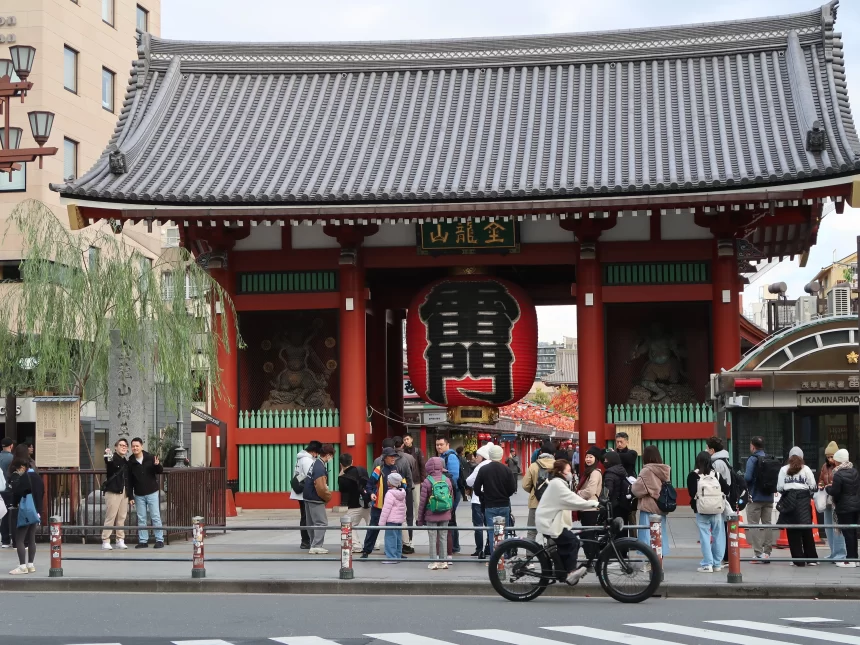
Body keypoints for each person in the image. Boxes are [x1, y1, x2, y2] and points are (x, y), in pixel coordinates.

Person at [536, 459, 599, 585]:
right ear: (560, 472)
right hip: (549, 522)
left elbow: (573, 500)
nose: (571, 473)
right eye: (568, 471)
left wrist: (591, 504)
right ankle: (570, 572)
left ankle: (562, 571)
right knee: (572, 541)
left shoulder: (560, 483)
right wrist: (594, 503)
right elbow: (573, 500)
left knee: (570, 542)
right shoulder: (557, 485)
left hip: (554, 521)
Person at [688, 451, 730, 572]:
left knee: (705, 536)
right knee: (719, 536)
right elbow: (726, 489)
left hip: (701, 510)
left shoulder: (693, 475)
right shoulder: (716, 475)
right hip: (717, 510)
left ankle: (707, 564)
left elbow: (691, 493)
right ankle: (717, 563)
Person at [361, 447, 407, 558]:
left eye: (394, 456)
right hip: (379, 506)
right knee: (373, 529)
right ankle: (366, 551)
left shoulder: (397, 468)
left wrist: (400, 488)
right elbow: (369, 484)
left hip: (393, 507)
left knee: (395, 531)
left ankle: (396, 552)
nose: (393, 458)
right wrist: (371, 493)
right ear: (384, 457)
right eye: (391, 456)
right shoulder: (378, 469)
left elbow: (404, 484)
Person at [777, 446, 818, 566]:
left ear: (789, 457)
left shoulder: (784, 469)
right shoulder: (806, 469)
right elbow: (813, 486)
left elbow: (779, 487)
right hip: (803, 500)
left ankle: (798, 560)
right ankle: (811, 559)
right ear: (802, 457)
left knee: (792, 530)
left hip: (789, 500)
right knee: (806, 529)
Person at [473, 445, 517, 553]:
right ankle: (503, 556)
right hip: (504, 504)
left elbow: (476, 488)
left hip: (490, 505)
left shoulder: (483, 469)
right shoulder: (506, 470)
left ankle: (494, 558)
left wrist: (482, 495)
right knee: (503, 532)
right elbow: (512, 488)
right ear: (501, 456)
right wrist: (505, 494)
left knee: (492, 532)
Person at [631, 445, 671, 556]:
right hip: (661, 505)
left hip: (649, 506)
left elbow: (637, 490)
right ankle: (659, 558)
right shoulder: (664, 470)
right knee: (660, 533)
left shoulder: (646, 471)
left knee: (647, 534)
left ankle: (650, 560)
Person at [7, 454, 43, 575]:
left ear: (21, 467)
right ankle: (31, 564)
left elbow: (17, 493)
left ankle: (22, 566)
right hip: (35, 511)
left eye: (16, 468)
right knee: (32, 538)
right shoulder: (37, 477)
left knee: (20, 539)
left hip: (25, 510)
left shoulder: (22, 478)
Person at [825, 449, 860, 568]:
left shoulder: (838, 474)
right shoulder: (854, 471)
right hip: (855, 505)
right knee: (853, 532)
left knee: (847, 533)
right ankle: (855, 558)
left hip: (844, 507)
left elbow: (836, 492)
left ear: (838, 460)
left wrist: (827, 488)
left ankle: (850, 560)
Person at [417, 456, 453, 569]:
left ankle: (433, 562)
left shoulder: (427, 482)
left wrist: (420, 519)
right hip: (445, 514)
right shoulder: (447, 480)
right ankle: (444, 561)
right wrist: (449, 512)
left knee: (432, 538)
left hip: (431, 514)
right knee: (443, 537)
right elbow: (451, 497)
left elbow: (422, 502)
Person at [127, 437, 164, 549]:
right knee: (141, 518)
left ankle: (159, 540)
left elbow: (159, 471)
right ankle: (143, 541)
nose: (135, 448)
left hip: (152, 491)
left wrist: (157, 465)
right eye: (133, 446)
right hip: (138, 494)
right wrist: (130, 496)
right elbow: (129, 480)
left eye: (137, 446)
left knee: (155, 516)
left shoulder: (150, 457)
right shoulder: (131, 462)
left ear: (142, 446)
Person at [744, 436, 776, 563]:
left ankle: (758, 553)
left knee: (754, 525)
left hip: (755, 497)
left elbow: (747, 477)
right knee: (767, 524)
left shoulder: (752, 459)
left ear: (753, 446)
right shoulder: (770, 458)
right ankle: (767, 552)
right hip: (769, 497)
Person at [818, 441, 848, 563]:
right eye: (828, 456)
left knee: (837, 528)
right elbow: (820, 479)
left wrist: (831, 486)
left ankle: (840, 554)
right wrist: (820, 484)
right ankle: (833, 552)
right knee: (828, 527)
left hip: (837, 500)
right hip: (827, 499)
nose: (830, 459)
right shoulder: (824, 467)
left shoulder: (841, 468)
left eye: (832, 456)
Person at [706, 436, 734, 564]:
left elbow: (714, 482)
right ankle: (725, 555)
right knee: (723, 527)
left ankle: (724, 556)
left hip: (719, 497)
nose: (706, 450)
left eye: (707, 448)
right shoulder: (724, 460)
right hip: (724, 496)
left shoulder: (717, 463)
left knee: (721, 528)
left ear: (712, 450)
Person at [303, 443, 334, 555]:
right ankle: (317, 545)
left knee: (311, 523)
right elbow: (321, 487)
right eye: (331, 456)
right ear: (328, 455)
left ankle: (313, 544)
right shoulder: (320, 467)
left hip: (307, 496)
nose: (331, 459)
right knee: (321, 522)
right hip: (315, 498)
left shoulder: (315, 463)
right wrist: (327, 497)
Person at [290, 440, 321, 550]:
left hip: (301, 492)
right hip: (305, 492)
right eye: (317, 453)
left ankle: (306, 540)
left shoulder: (301, 457)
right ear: (313, 451)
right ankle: (306, 540)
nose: (317, 455)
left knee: (304, 516)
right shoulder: (307, 460)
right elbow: (311, 475)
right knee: (306, 517)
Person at [522, 442, 556, 541]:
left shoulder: (534, 466)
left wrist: (535, 491)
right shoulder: (558, 465)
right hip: (552, 503)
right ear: (554, 454)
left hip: (535, 503)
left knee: (532, 530)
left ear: (541, 452)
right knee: (551, 531)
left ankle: (529, 554)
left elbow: (525, 485)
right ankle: (551, 554)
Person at [338, 453, 370, 554]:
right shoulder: (362, 470)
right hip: (367, 503)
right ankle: (374, 543)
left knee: (348, 525)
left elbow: (342, 491)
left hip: (354, 506)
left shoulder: (343, 478)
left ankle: (356, 545)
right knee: (371, 524)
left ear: (341, 464)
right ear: (352, 461)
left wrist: (340, 475)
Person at [102, 438, 131, 550]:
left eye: (125, 446)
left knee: (121, 517)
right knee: (111, 516)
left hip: (123, 491)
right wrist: (107, 454)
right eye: (121, 445)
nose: (123, 447)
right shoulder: (112, 457)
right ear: (116, 447)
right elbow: (108, 461)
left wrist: (130, 495)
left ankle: (120, 539)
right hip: (113, 491)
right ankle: (105, 540)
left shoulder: (125, 461)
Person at [577, 446, 604, 562]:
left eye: (591, 457)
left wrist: (577, 493)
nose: (588, 459)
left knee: (589, 536)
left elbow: (590, 491)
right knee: (588, 535)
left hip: (591, 508)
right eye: (587, 457)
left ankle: (592, 559)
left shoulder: (595, 473)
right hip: (586, 507)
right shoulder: (588, 471)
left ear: (596, 459)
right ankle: (592, 558)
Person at [466, 443, 492, 558]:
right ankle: (490, 548)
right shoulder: (495, 465)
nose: (475, 458)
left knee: (478, 526)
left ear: (482, 456)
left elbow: (469, 481)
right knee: (490, 526)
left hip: (478, 500)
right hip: (491, 500)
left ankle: (479, 549)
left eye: (477, 456)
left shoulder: (479, 467)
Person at [436, 436, 461, 553]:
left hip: (452, 492)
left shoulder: (450, 457)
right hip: (447, 492)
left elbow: (454, 476)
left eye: (441, 444)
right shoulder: (442, 457)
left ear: (447, 445)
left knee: (450, 519)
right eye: (437, 445)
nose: (439, 447)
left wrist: (449, 492)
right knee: (450, 518)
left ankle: (454, 545)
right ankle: (452, 545)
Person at [393, 436, 417, 554]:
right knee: (407, 516)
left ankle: (395, 543)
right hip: (406, 490)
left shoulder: (381, 459)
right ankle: (408, 540)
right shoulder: (409, 458)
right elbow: (411, 472)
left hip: (390, 492)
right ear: (402, 445)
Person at [379, 472, 407, 563]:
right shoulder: (402, 493)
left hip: (391, 520)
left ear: (390, 483)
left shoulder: (390, 494)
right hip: (399, 520)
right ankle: (397, 556)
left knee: (390, 538)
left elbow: (386, 509)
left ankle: (391, 557)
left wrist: (381, 523)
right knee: (398, 538)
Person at [603, 451, 633, 535]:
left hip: (614, 506)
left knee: (615, 531)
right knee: (623, 529)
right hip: (624, 504)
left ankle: (616, 547)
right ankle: (624, 547)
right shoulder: (622, 470)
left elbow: (608, 491)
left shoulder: (610, 473)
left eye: (606, 460)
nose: (604, 462)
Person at [0, 438, 14, 548]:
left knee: (2, 514)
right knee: (10, 514)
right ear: (11, 446)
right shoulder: (12, 459)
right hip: (9, 490)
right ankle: (11, 539)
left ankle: (4, 540)